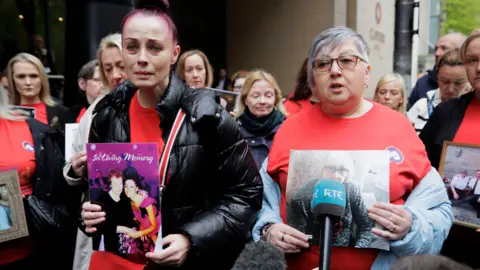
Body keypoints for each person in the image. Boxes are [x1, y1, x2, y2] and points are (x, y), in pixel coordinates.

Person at [80, 1, 262, 269]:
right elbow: (95, 193)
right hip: (113, 261)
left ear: (175, 53)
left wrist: (191, 239)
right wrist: (87, 214)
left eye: (154, 47)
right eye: (132, 47)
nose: (142, 58)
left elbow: (246, 194)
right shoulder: (107, 115)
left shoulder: (207, 119)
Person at [259, 26, 452, 269]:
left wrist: (410, 226)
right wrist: (268, 229)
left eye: (347, 60)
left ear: (367, 72)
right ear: (312, 79)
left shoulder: (399, 128)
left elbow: (440, 212)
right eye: (323, 64)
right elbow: (262, 201)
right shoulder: (289, 129)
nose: (335, 71)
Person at [63, 32, 128, 270]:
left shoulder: (158, 107)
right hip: (100, 224)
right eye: (107, 68)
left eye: (120, 66)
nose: (115, 75)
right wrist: (75, 170)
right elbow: (71, 165)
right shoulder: (95, 111)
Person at [408, 49, 470, 134]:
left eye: (458, 83)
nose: (450, 89)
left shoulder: (474, 108)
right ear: (437, 76)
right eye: (445, 81)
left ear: (469, 79)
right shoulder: (421, 107)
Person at [234, 69, 287, 168]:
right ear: (245, 99)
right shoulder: (234, 132)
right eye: (256, 96)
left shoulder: (288, 129)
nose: (262, 101)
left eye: (268, 95)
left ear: (275, 98)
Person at [6, 53, 72, 125]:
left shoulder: (61, 112)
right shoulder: (4, 111)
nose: (28, 82)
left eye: (34, 76)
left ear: (42, 79)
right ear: (12, 80)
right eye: (21, 76)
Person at [408, 33, 467, 109]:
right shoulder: (423, 83)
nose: (437, 53)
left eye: (444, 48)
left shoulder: (475, 86)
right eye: (436, 48)